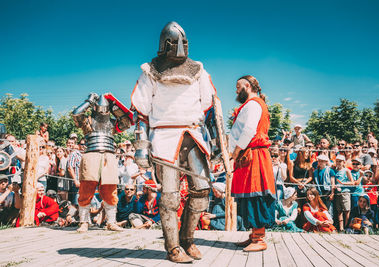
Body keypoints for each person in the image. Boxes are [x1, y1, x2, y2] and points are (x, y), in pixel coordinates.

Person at [130, 22, 217, 263]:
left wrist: (217, 143)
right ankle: (173, 247)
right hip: (164, 138)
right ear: (165, 45)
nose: (180, 47)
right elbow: (142, 112)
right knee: (169, 197)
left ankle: (188, 239)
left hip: (194, 134)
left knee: (201, 192)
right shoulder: (150, 70)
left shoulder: (198, 69)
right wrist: (141, 149)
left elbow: (209, 108)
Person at [72, 93, 131, 232]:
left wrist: (115, 106)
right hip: (91, 155)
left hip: (109, 156)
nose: (103, 110)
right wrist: (89, 100)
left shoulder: (112, 123)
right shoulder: (88, 122)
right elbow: (76, 114)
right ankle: (84, 222)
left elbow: (127, 123)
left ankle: (111, 222)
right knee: (86, 189)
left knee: (110, 191)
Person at [229, 75, 276, 252]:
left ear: (247, 86)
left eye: (238, 86)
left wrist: (235, 151)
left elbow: (249, 130)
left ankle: (259, 239)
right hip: (248, 154)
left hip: (253, 155)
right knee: (249, 196)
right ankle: (253, 236)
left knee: (256, 195)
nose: (236, 90)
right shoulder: (251, 105)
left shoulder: (254, 104)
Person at [333, 154, 353, 232]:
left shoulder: (346, 170)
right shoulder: (335, 170)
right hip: (337, 192)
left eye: (340, 161)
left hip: (345, 192)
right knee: (339, 211)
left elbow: (352, 182)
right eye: (337, 161)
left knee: (347, 210)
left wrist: (343, 183)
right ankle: (341, 228)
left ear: (344, 162)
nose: (338, 163)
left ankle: (347, 227)